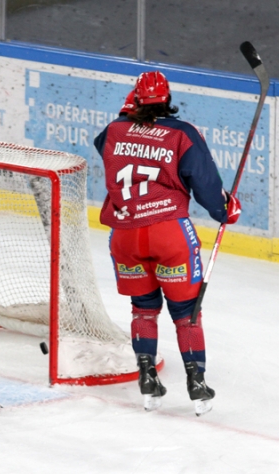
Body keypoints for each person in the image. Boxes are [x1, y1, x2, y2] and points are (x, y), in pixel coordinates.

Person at [94, 70, 242, 416]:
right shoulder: (183, 134)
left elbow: (107, 139)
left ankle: (147, 380)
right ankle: (197, 385)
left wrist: (129, 114)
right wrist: (224, 210)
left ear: (134, 98)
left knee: (143, 309)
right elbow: (205, 184)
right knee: (186, 316)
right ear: (168, 98)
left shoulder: (115, 130)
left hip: (126, 235)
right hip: (168, 234)